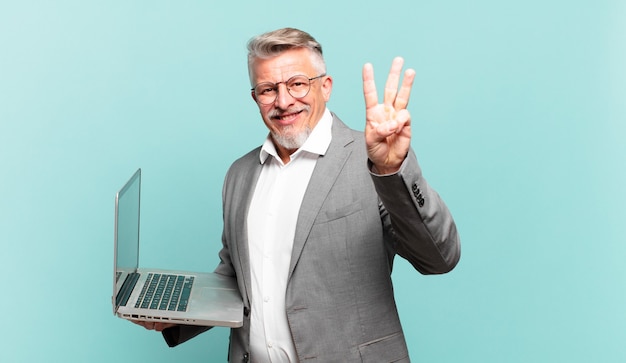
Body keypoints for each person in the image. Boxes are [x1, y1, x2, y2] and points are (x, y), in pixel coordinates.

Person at [136, 27, 460, 362]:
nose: (284, 101)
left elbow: (439, 257)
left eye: (297, 84)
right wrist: (176, 313)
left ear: (326, 86)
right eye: (268, 89)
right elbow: (239, 278)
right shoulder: (239, 174)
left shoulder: (372, 161)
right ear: (255, 97)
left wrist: (393, 170)